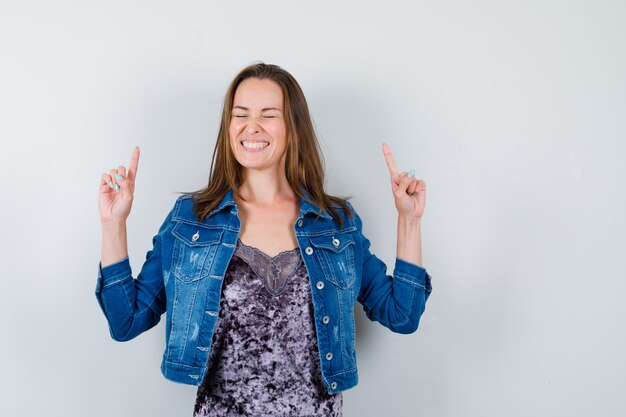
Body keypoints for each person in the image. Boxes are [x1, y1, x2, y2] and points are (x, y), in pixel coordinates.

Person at [96, 63, 432, 417]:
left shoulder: (335, 223)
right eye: (240, 114)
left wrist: (409, 220)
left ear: (293, 128)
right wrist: (113, 225)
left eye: (268, 115)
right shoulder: (190, 219)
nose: (251, 126)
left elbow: (402, 315)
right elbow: (126, 321)